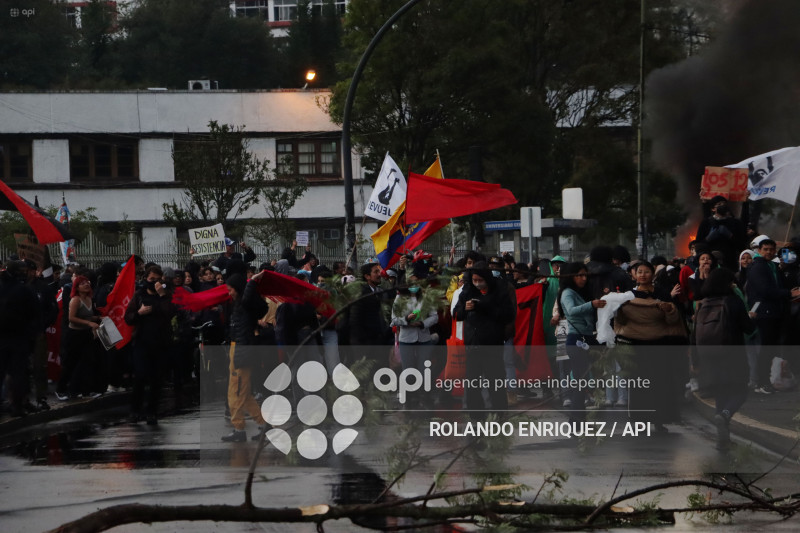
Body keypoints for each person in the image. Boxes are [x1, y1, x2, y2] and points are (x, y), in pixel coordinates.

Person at [613, 261, 686, 431]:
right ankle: (640, 420)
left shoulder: (661, 294)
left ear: (653, 274)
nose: (643, 275)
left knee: (660, 383)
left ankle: (659, 420)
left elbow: (672, 320)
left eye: (647, 271)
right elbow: (621, 321)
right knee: (639, 384)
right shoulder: (627, 296)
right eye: (640, 272)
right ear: (634, 274)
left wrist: (669, 310)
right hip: (635, 346)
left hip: (658, 345)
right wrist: (619, 309)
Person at [691, 268, 756, 450]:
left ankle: (723, 440)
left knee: (721, 392)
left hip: (707, 357)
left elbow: (694, 334)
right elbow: (749, 328)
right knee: (741, 390)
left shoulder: (702, 304)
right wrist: (752, 318)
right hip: (732, 353)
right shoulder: (733, 301)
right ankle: (726, 415)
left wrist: (695, 360)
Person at [453, 261, 516, 415]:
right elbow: (456, 313)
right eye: (475, 280)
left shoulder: (499, 290)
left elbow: (508, 314)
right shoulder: (468, 290)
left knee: (495, 382)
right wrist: (465, 309)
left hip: (492, 344)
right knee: (472, 382)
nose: (478, 284)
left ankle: (499, 414)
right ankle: (476, 416)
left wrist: (484, 307)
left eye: (480, 280)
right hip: (473, 344)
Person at [745, 238, 800, 394]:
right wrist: (789, 293)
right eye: (765, 249)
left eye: (771, 249)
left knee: (770, 350)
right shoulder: (757, 267)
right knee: (765, 350)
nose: (769, 252)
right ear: (759, 250)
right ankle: (761, 383)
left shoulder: (772, 266)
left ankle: (765, 381)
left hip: (774, 313)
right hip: (764, 314)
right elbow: (765, 290)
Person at [124, 265, 176, 425]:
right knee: (140, 376)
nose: (154, 282)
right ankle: (135, 410)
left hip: (160, 342)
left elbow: (170, 312)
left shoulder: (165, 295)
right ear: (145, 279)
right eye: (151, 279)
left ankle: (151, 411)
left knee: (156, 379)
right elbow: (128, 317)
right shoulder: (139, 295)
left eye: (158, 280)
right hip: (142, 342)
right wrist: (139, 313)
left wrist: (161, 295)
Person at [221, 272, 269, 442]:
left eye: (231, 289)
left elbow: (249, 300)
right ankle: (263, 424)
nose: (229, 293)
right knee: (244, 393)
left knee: (236, 392)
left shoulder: (246, 304)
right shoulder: (241, 306)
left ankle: (239, 428)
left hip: (242, 352)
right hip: (238, 351)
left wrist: (251, 282)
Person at [556, 262, 606, 417]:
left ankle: (580, 418)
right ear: (571, 276)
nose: (583, 278)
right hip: (576, 338)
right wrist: (591, 304)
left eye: (585, 275)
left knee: (586, 379)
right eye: (579, 275)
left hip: (589, 337)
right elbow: (571, 311)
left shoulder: (582, 291)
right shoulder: (567, 293)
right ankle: (576, 421)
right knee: (579, 381)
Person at [390, 275, 438, 408]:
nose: (414, 285)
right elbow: (394, 320)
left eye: (417, 282)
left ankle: (425, 396)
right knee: (409, 370)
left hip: (424, 337)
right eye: (412, 283)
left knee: (425, 369)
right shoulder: (399, 298)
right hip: (406, 338)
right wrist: (406, 319)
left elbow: (434, 317)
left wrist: (422, 323)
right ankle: (410, 398)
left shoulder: (426, 297)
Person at [57, 275, 103, 400]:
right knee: (70, 363)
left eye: (87, 282)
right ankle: (60, 389)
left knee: (88, 362)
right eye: (82, 283)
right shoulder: (76, 300)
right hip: (74, 335)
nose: (86, 284)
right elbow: (71, 318)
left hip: (86, 335)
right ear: (76, 287)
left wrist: (98, 318)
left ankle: (85, 390)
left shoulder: (89, 299)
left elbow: (88, 316)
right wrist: (89, 323)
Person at [695, 195, 747, 271]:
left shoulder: (735, 223)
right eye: (719, 204)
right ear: (713, 209)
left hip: (730, 262)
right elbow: (698, 245)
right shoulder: (706, 223)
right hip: (711, 263)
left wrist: (731, 236)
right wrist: (708, 239)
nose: (722, 206)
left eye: (724, 204)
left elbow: (742, 244)